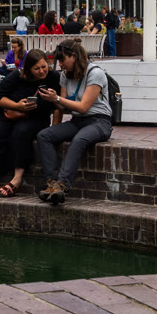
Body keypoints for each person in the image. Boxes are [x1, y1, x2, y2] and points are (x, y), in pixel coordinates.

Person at [35, 39, 112, 206]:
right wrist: (52, 99)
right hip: (77, 121)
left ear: (74, 56)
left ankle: (62, 185)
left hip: (99, 121)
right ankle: (52, 183)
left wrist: (57, 98)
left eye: (63, 60)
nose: (61, 64)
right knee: (44, 135)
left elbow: (84, 107)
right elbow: (63, 106)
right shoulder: (65, 75)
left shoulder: (95, 73)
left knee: (79, 140)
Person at [0, 48, 52, 198]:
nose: (41, 71)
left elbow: (58, 106)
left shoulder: (53, 77)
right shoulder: (17, 75)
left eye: (43, 67)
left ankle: (17, 178)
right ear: (28, 68)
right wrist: (17, 106)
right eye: (37, 68)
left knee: (21, 132)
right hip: (10, 113)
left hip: (36, 118)